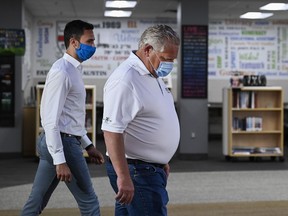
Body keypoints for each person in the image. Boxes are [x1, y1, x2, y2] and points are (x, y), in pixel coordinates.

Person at [21, 20, 104, 216]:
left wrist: (88, 145)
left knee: (37, 200)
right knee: (89, 202)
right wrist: (60, 160)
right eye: (90, 41)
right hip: (63, 144)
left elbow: (71, 117)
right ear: (74, 42)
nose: (93, 46)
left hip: (62, 141)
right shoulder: (62, 71)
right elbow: (50, 119)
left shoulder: (74, 70)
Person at [101, 24, 180, 216]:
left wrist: (162, 160)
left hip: (148, 168)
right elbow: (112, 131)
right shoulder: (126, 79)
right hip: (137, 171)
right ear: (147, 49)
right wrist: (123, 176)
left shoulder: (151, 74)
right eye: (165, 59)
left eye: (172, 60)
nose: (169, 65)